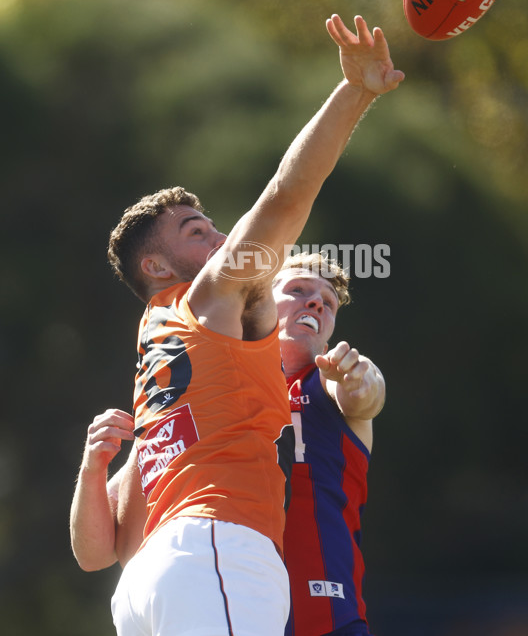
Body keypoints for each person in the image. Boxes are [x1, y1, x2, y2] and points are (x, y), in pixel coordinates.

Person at [70, 13, 402, 636]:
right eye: (197, 231)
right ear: (155, 263)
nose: (221, 238)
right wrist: (355, 90)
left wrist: (92, 469)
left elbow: (95, 552)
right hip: (216, 552)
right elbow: (285, 195)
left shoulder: (159, 344)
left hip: (149, 583)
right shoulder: (214, 295)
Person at [71, 252, 384, 636]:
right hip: (219, 602)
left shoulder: (328, 383)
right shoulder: (205, 391)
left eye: (328, 302)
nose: (316, 302)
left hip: (325, 619)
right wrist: (92, 467)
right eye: (298, 289)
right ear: (260, 300)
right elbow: (94, 552)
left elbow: (367, 395)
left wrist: (360, 380)